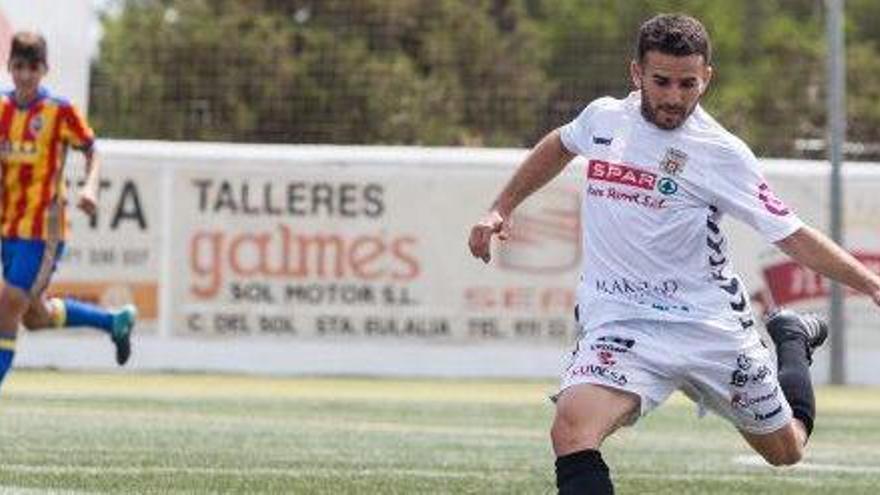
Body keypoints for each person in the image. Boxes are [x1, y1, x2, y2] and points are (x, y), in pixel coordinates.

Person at [468, 13, 880, 494]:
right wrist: (501, 207)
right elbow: (560, 143)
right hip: (623, 320)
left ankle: (790, 340)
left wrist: (869, 282)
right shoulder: (604, 119)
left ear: (706, 77)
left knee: (787, 450)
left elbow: (791, 234)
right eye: (661, 81)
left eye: (688, 83)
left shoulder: (721, 152)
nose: (674, 96)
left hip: (710, 326)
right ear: (636, 73)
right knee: (572, 428)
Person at [0, 32, 137, 392]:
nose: (25, 76)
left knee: (9, 302)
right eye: (19, 67)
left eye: (33, 68)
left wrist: (90, 186)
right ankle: (114, 323)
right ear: (9, 67)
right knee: (35, 316)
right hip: (8, 226)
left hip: (43, 229)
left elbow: (92, 150)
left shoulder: (59, 111)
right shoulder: (1, 108)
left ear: (44, 69)